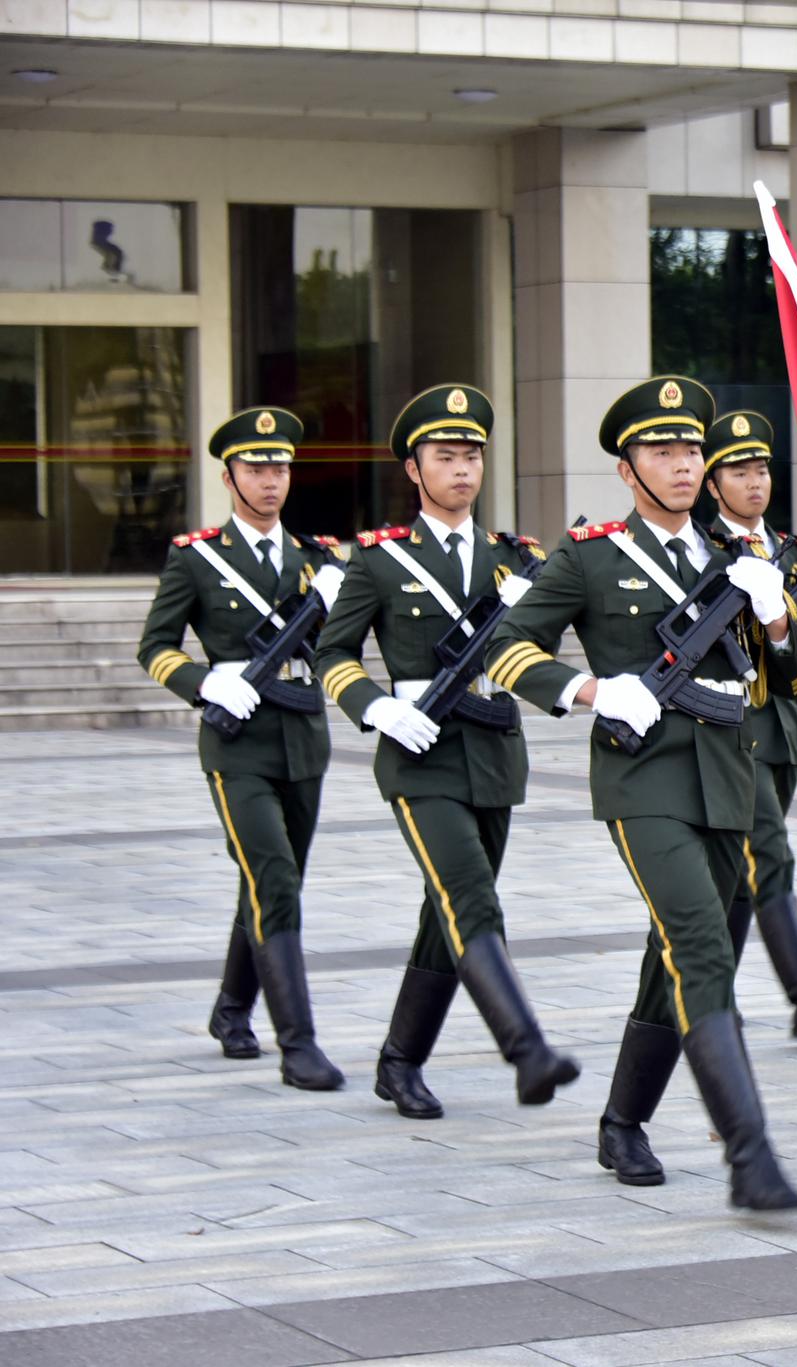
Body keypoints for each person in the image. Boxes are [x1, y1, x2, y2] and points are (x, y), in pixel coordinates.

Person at [485, 376, 797, 1210]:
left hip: (733, 779)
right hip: (644, 779)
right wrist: (591, 690)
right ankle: (751, 1151)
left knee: (682, 957)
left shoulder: (737, 558)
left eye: (692, 451)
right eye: (662, 452)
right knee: (700, 945)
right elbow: (509, 650)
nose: (682, 465)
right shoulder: (591, 554)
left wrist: (778, 621)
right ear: (627, 470)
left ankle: (623, 1120)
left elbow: (794, 677)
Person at [314, 384, 580, 1120]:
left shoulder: (515, 558)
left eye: (472, 456)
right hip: (419, 758)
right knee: (471, 898)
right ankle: (526, 1046)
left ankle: (400, 1061)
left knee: (448, 913)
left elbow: (537, 651)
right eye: (446, 457)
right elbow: (333, 654)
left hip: (493, 751)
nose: (462, 469)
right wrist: (379, 707)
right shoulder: (379, 560)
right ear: (414, 469)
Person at [136, 406, 346, 1091]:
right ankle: (299, 1043)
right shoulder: (197, 557)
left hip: (304, 739)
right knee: (275, 879)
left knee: (270, 880)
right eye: (256, 469)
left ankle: (231, 1010)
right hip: (237, 745)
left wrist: (346, 602)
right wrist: (205, 683)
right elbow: (154, 648)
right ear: (228, 476)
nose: (270, 481)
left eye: (280, 468)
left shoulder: (321, 559)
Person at [697, 409, 797, 1042]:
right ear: (713, 485)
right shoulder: (703, 552)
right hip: (733, 730)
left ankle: (715, 998)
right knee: (770, 857)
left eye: (761, 468)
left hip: (787, 729)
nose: (755, 481)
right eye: (738, 471)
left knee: (740, 867)